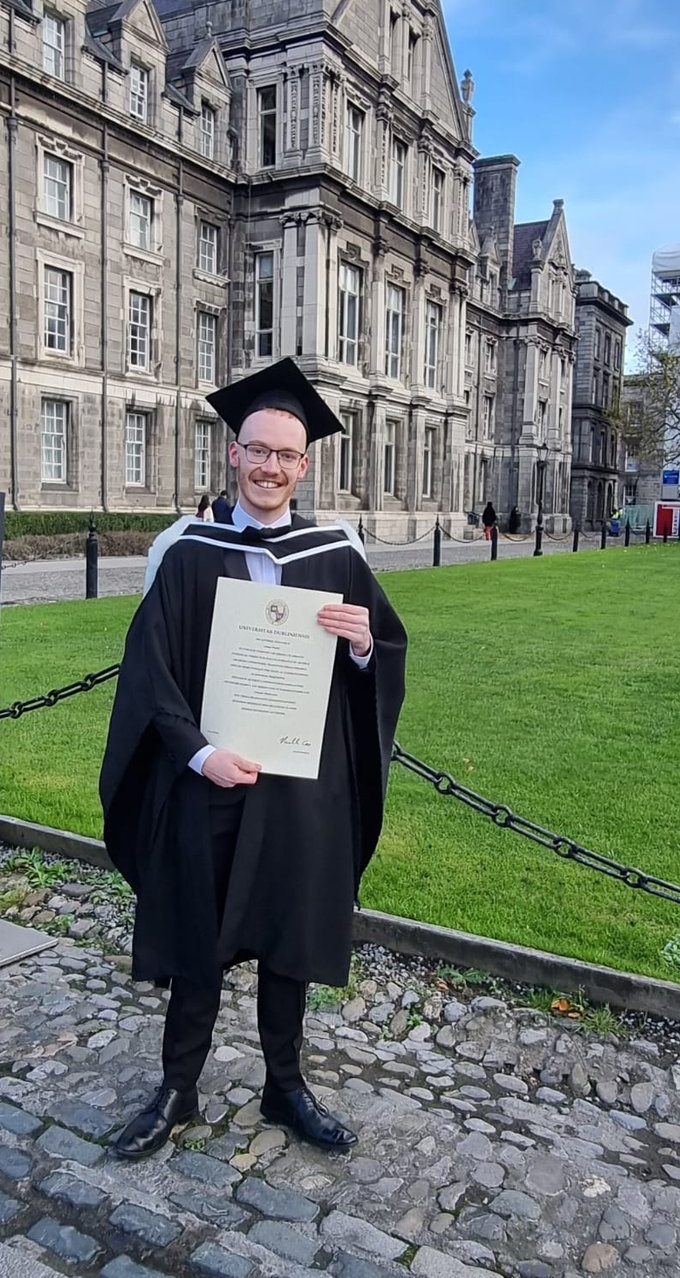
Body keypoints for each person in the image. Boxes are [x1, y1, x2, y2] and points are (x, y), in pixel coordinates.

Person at [100, 358, 407, 1162]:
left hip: (299, 791)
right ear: (233, 453)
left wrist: (367, 643)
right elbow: (149, 674)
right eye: (258, 450)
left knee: (287, 931)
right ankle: (177, 1087)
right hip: (213, 782)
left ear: (305, 466)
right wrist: (197, 755)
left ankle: (286, 1083)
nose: (271, 466)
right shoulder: (187, 552)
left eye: (286, 455)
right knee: (198, 936)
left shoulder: (336, 556)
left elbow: (383, 658)